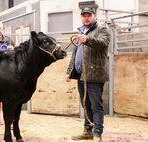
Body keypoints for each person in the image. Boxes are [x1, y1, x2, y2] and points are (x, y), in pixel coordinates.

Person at [66, 7, 110, 142]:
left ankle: (97, 134)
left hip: (94, 74)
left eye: (88, 15)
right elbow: (76, 53)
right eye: (84, 15)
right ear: (81, 17)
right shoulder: (81, 31)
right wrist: (69, 71)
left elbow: (103, 43)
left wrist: (88, 39)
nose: (86, 18)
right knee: (85, 104)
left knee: (96, 105)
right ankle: (87, 131)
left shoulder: (102, 29)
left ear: (94, 16)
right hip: (81, 74)